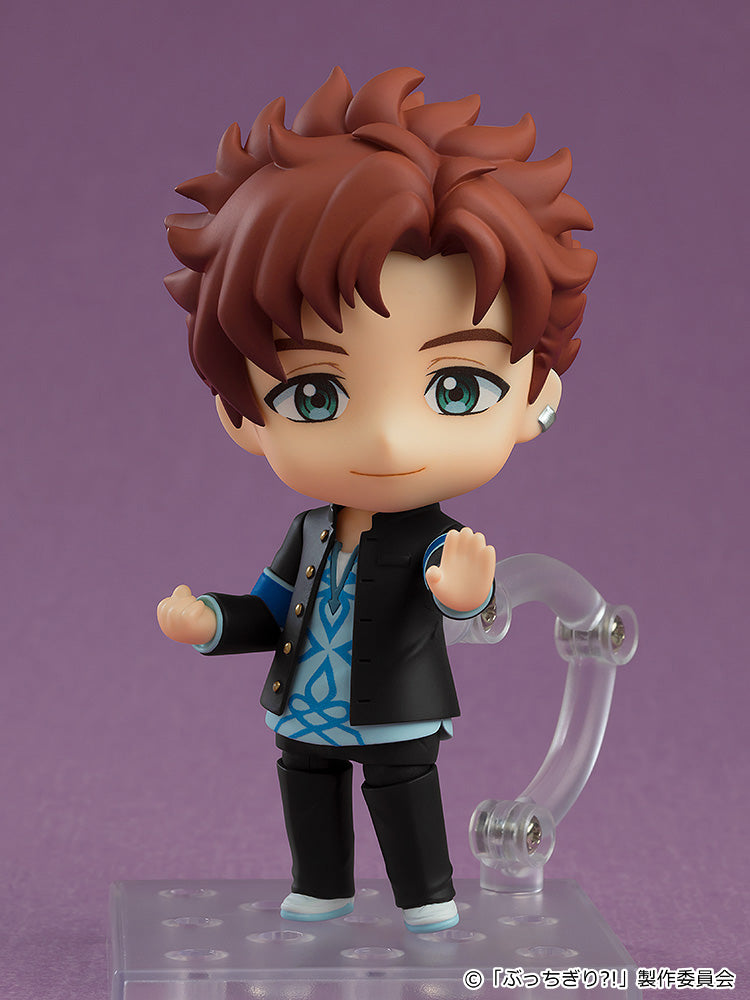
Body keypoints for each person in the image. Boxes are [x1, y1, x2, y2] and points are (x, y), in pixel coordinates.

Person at [157, 65, 596, 933]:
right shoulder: (309, 528)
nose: (388, 440)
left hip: (395, 712)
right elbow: (270, 611)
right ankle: (319, 887)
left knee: (403, 790)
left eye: (457, 388)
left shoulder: (438, 535)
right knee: (307, 786)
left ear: (535, 395)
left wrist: (464, 593)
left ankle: (427, 899)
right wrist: (210, 621)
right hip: (307, 708)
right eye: (316, 394)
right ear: (240, 413)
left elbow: (458, 595)